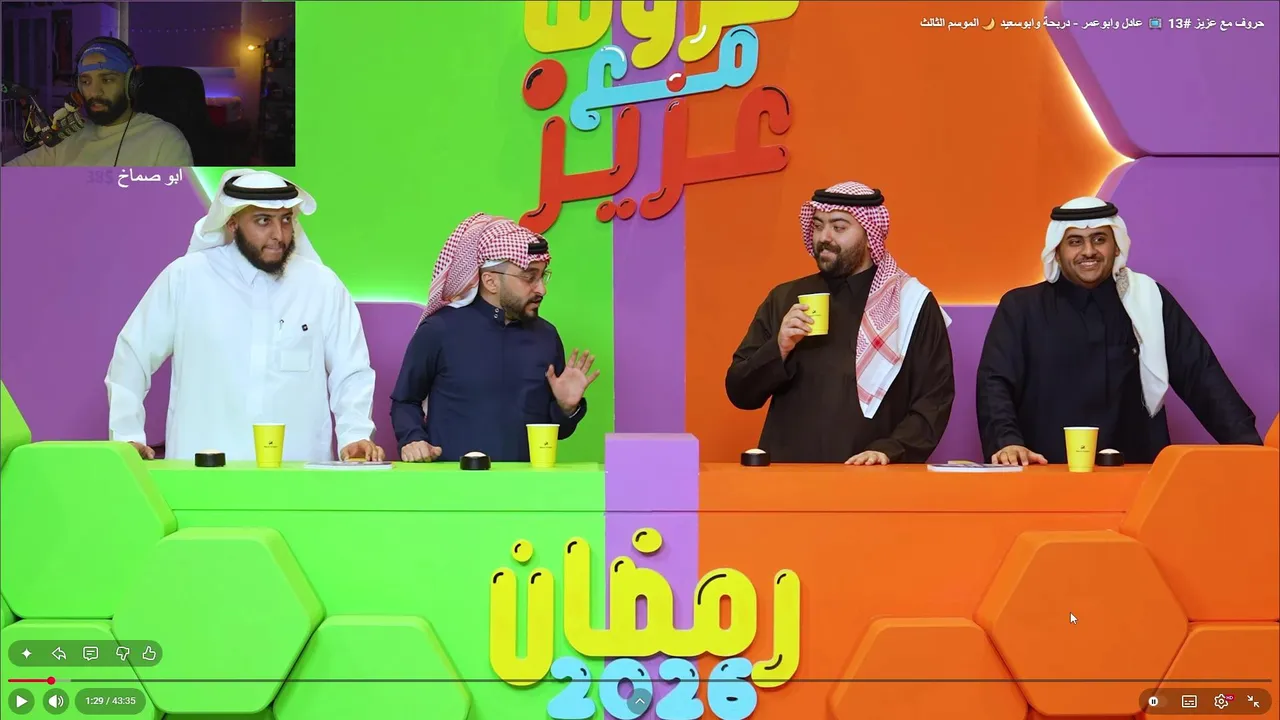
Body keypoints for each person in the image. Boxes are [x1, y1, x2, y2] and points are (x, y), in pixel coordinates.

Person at [105, 169, 382, 463]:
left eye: (286, 219)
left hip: (298, 472)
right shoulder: (186, 278)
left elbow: (351, 370)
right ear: (233, 222)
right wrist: (127, 436)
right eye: (263, 220)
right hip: (201, 471)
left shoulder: (322, 286)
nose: (278, 235)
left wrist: (355, 434)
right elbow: (132, 355)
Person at [977, 196, 1261, 466]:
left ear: (1116, 247)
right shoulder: (1022, 308)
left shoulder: (1148, 300)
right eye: (1075, 242)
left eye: (1099, 239)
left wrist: (1250, 449)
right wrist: (1006, 441)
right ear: (1057, 252)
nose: (1089, 251)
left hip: (1136, 469)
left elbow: (1200, 375)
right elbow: (995, 382)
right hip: (1046, 469)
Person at [725, 181, 956, 465]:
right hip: (789, 476)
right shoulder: (785, 298)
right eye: (818, 225)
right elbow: (740, 393)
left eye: (839, 227)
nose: (824, 237)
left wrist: (890, 450)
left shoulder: (909, 303)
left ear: (870, 234)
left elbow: (934, 399)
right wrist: (779, 348)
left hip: (873, 477)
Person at [390, 213, 600, 463]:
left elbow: (556, 432)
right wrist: (413, 438)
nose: (541, 289)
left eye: (543, 276)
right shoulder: (439, 331)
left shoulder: (547, 337)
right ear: (490, 281)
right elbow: (405, 401)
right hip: (453, 483)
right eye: (529, 277)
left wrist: (566, 408)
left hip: (527, 485)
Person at [5, 37, 192, 167]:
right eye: (86, 82)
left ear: (132, 83)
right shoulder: (67, 136)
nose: (94, 92)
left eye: (107, 79)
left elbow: (179, 209)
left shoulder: (165, 140)